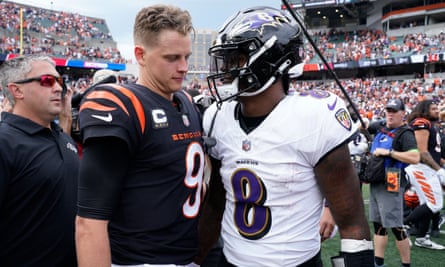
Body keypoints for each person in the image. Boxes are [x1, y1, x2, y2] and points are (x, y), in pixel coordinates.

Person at [195, 6, 373, 267]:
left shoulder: (313, 116)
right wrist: (194, 261)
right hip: (230, 260)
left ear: (272, 62)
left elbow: (352, 223)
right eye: (227, 60)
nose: (228, 69)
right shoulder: (216, 117)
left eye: (238, 59)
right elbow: (216, 203)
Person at [75, 4, 205, 266]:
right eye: (171, 58)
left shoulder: (186, 102)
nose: (183, 67)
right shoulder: (123, 104)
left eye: (186, 57)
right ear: (140, 55)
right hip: (139, 260)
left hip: (186, 256)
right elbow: (89, 222)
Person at [0, 55, 79, 266]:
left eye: (59, 81)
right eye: (47, 81)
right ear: (17, 90)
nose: (57, 88)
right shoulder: (5, 142)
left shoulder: (62, 137)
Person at [368, 99, 419, 267]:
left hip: (392, 178)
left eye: (394, 111)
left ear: (403, 113)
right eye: (388, 110)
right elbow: (366, 127)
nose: (390, 113)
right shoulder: (381, 128)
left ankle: (406, 264)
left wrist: (390, 153)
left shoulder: (405, 133)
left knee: (396, 226)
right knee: (378, 225)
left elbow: (414, 157)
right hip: (376, 180)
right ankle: (378, 263)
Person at [404, 99, 445, 250]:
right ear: (424, 110)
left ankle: (421, 238)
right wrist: (439, 170)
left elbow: (434, 152)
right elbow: (421, 152)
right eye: (433, 108)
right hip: (422, 168)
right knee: (435, 204)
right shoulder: (422, 122)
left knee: (427, 203)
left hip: (428, 168)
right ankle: (403, 225)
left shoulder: (430, 124)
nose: (437, 110)